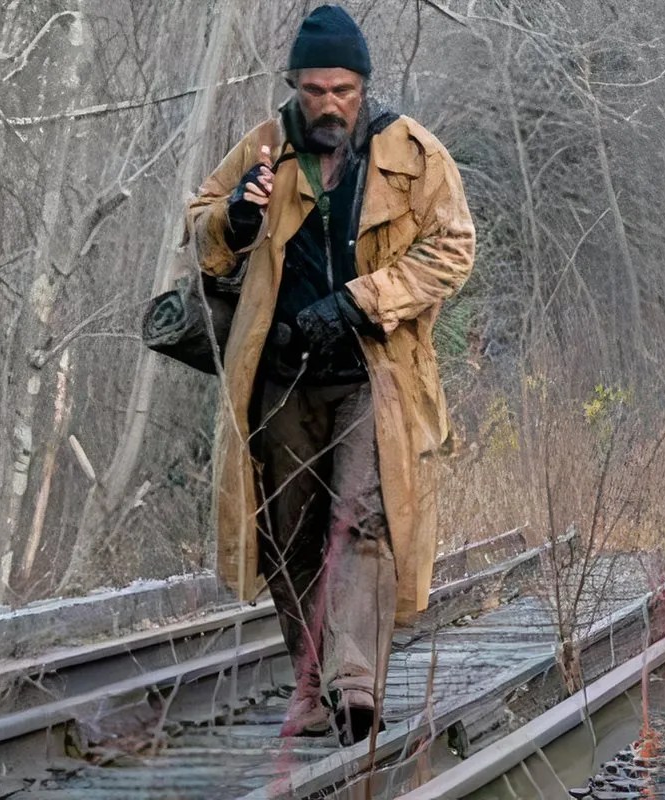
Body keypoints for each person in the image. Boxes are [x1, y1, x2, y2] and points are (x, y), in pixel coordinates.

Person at [183, 5, 474, 743]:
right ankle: (310, 688)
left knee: (363, 519)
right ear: (294, 86)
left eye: (343, 89)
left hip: (374, 374)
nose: (329, 104)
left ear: (364, 87)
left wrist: (357, 302)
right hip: (281, 375)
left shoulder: (413, 153)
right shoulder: (263, 148)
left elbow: (453, 249)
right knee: (291, 535)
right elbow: (201, 228)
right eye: (315, 89)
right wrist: (236, 225)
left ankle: (355, 684)